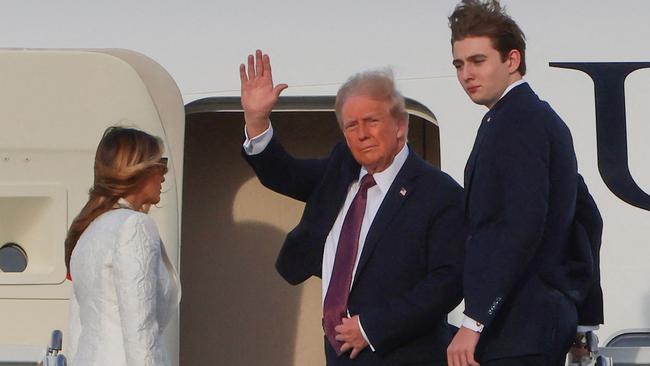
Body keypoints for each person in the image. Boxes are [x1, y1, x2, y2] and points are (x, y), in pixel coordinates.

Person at [240, 50, 465, 365]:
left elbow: (447, 283)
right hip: (339, 353)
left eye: (372, 121)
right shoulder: (342, 168)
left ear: (401, 125)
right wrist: (257, 120)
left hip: (402, 353)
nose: (362, 134)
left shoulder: (440, 193)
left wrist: (371, 327)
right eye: (351, 126)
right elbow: (284, 173)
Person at [445, 1, 603, 365]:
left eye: (478, 61)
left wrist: (475, 319)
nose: (466, 73)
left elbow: (521, 225)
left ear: (512, 60)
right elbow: (588, 218)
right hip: (539, 321)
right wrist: (582, 318)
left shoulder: (516, 122)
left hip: (518, 325)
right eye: (459, 64)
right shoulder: (540, 118)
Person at [65, 126, 181, 366]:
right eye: (161, 164)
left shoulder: (87, 229)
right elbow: (141, 330)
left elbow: (78, 327)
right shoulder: (134, 226)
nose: (164, 174)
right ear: (138, 170)